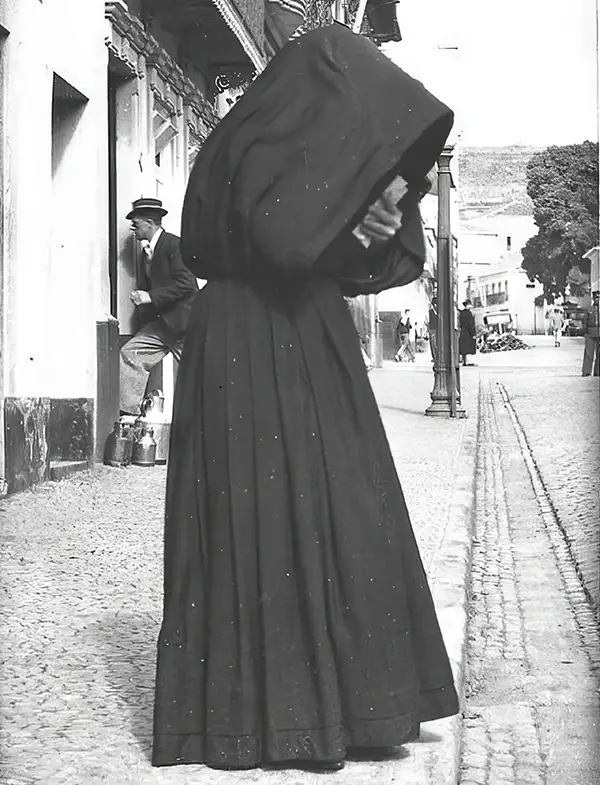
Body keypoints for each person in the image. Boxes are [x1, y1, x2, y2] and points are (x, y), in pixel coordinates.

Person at [153, 25, 458, 773]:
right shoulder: (255, 145)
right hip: (245, 344)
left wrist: (371, 225)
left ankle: (353, 704)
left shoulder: (305, 154)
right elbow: (283, 238)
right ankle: (265, 719)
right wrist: (351, 222)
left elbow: (346, 257)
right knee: (256, 513)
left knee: (343, 503)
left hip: (308, 337)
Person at [119, 198, 199, 416]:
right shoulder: (148, 251)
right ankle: (130, 416)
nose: (133, 229)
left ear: (150, 222)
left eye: (136, 224)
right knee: (129, 354)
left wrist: (150, 297)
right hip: (162, 326)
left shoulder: (174, 245)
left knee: (195, 376)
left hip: (184, 326)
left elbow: (187, 285)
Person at [582, 294, 599, 376]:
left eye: (599, 298)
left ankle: (598, 372)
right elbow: (585, 321)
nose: (597, 300)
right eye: (596, 298)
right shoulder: (589, 309)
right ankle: (586, 371)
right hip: (590, 333)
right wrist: (585, 332)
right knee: (588, 353)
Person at [458, 299, 477, 366]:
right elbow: (470, 324)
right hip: (468, 333)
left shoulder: (462, 313)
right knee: (469, 347)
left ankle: (464, 361)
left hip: (463, 332)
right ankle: (467, 362)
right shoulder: (469, 313)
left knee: (463, 348)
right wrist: (473, 334)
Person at [428, 296, 438, 362]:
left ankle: (436, 356)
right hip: (433, 328)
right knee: (433, 343)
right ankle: (435, 357)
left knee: (434, 343)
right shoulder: (431, 311)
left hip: (435, 328)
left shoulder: (437, 311)